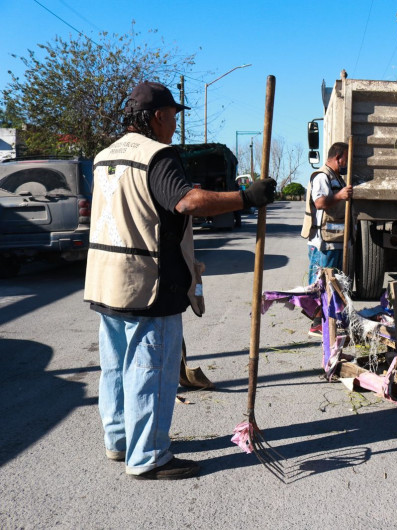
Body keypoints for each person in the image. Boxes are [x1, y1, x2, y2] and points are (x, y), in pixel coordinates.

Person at [84, 81, 276, 480]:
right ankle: (149, 456)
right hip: (148, 283)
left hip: (105, 279)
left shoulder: (104, 156)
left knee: (116, 368)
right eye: (173, 115)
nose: (175, 124)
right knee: (151, 371)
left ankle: (119, 442)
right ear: (157, 116)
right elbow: (186, 200)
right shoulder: (157, 155)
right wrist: (246, 198)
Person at [300, 142, 352, 336]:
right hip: (324, 243)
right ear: (338, 157)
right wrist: (340, 195)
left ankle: (329, 320)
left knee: (333, 284)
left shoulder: (336, 177)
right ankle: (317, 323)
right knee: (322, 284)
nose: (347, 163)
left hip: (334, 241)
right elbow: (320, 202)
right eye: (346, 159)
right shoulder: (322, 176)